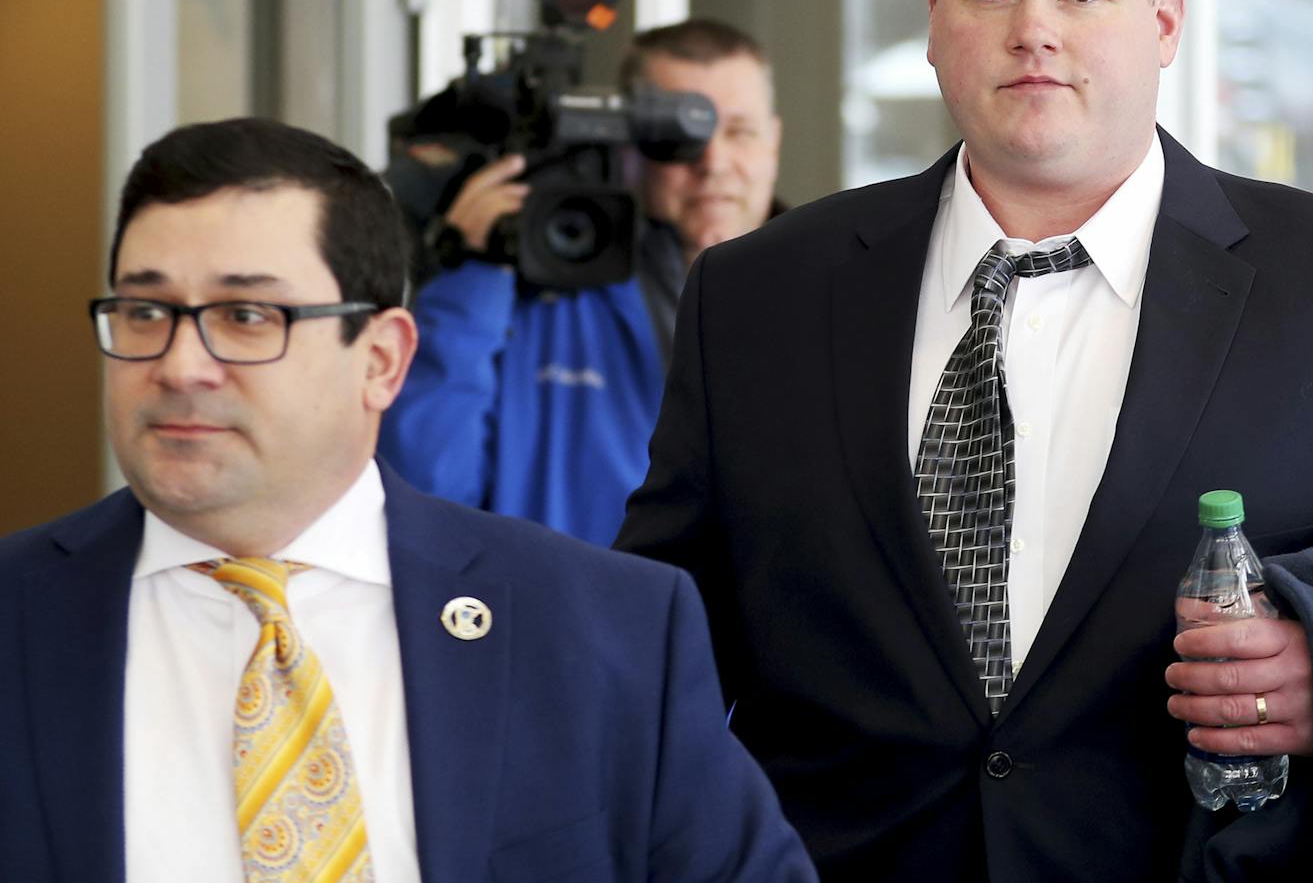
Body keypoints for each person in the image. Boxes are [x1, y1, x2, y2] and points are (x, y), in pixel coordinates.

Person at [615, 0, 1313, 882]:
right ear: (934, 21)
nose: (1031, 30)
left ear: (1165, 21)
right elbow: (656, 650)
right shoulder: (755, 294)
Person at [0, 117, 814, 883]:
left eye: (246, 315)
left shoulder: (608, 628)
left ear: (382, 360)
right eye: (146, 311)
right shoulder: (20, 616)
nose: (180, 365)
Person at [379, 17, 782, 545]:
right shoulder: (532, 298)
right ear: (626, 147)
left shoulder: (831, 298)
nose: (712, 163)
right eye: (678, 138)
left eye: (739, 132)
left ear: (773, 141)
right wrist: (470, 274)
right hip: (571, 619)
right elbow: (425, 499)